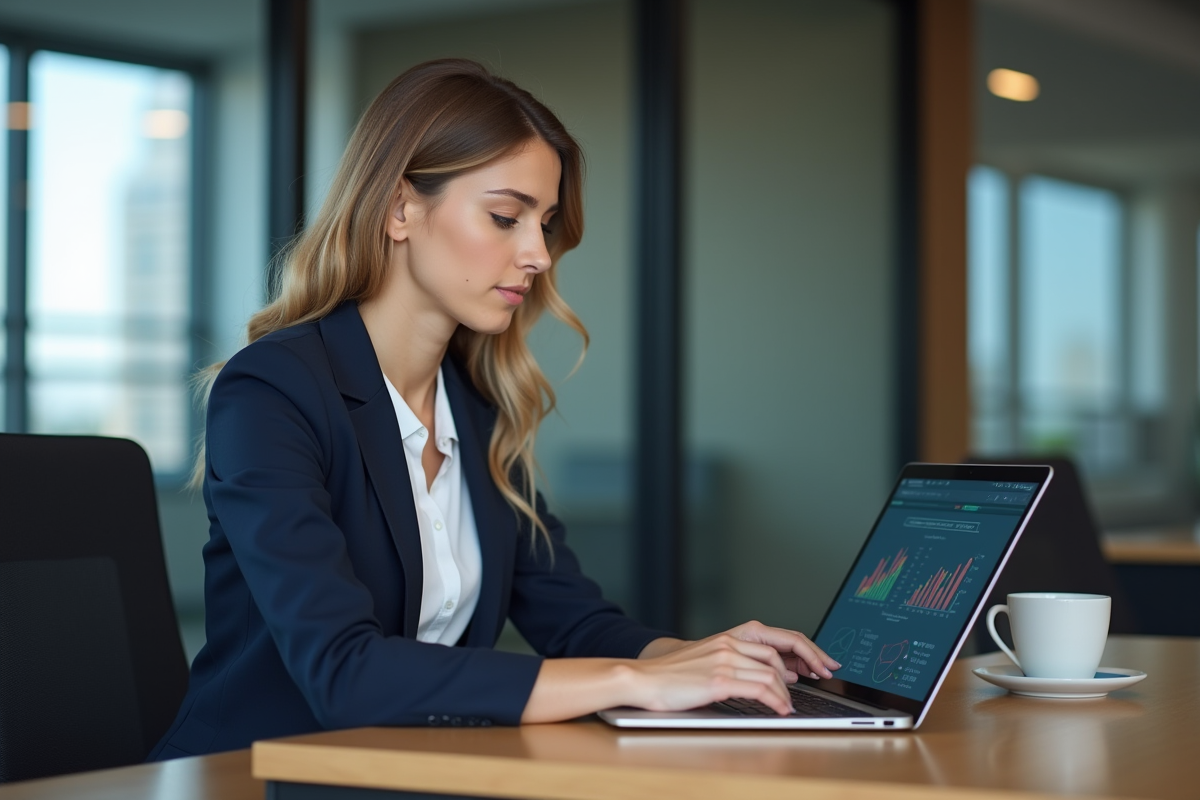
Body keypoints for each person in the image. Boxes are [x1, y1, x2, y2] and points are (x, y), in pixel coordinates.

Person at [149, 58, 838, 759]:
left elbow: (572, 621)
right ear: (398, 210)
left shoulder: (475, 403)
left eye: (543, 224)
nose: (538, 254)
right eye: (505, 217)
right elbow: (344, 672)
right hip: (252, 775)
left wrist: (707, 661)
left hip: (409, 775)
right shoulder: (273, 389)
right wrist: (635, 680)